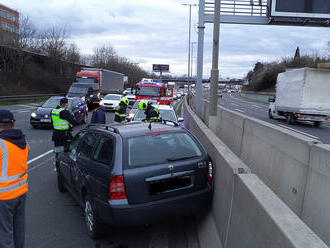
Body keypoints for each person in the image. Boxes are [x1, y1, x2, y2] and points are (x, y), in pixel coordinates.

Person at [0, 109, 29, 248]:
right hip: (21, 192)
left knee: (5, 235)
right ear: (13, 123)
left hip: (4, 197)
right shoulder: (23, 141)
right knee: (19, 229)